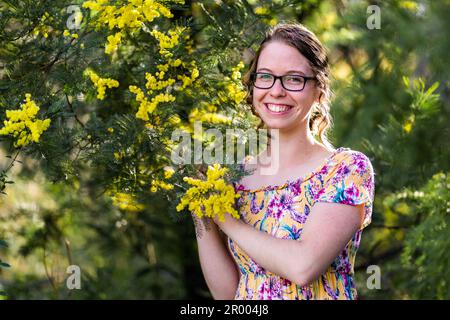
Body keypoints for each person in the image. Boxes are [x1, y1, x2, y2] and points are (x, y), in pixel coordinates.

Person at [192, 22, 375, 300]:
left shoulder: (345, 170)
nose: (276, 91)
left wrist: (225, 219)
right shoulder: (234, 179)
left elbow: (303, 266)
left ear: (320, 90)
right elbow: (228, 294)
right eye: (265, 76)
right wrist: (201, 211)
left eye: (293, 79)